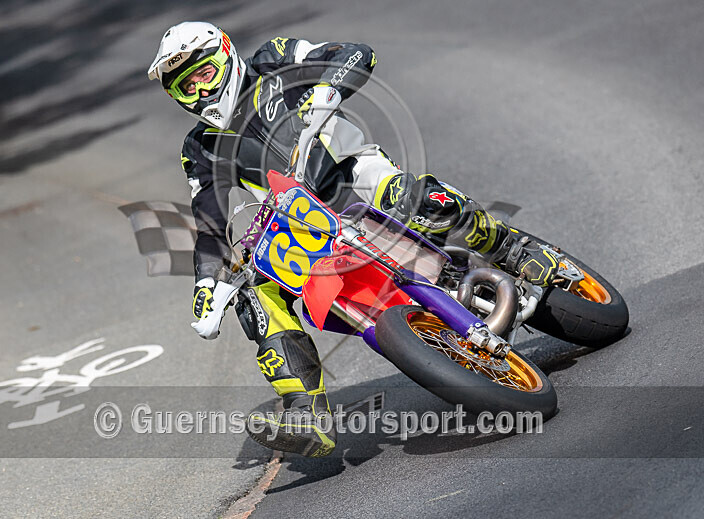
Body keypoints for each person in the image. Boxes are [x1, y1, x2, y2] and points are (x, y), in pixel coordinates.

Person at [147, 21, 558, 457]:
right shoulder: (200, 148)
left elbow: (355, 52)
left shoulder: (274, 58)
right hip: (299, 224)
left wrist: (328, 89)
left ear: (226, 55)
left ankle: (514, 248)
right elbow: (210, 222)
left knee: (418, 199)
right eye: (186, 86)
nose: (200, 90)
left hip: (352, 175)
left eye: (204, 73)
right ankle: (307, 413)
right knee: (255, 298)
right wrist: (208, 284)